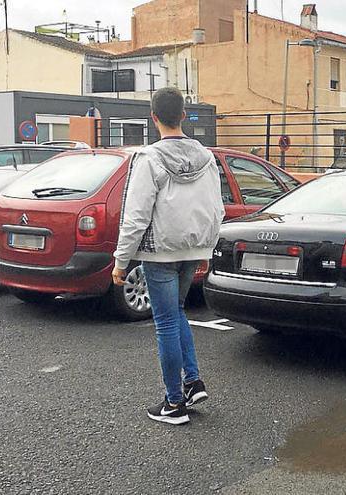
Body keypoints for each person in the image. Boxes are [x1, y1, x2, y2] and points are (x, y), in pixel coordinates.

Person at [112, 87, 225, 425]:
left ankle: (174, 403)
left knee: (165, 323)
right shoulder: (206, 157)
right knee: (176, 313)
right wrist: (205, 248)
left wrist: (121, 261)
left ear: (153, 117)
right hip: (193, 248)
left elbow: (136, 214)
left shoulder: (149, 159)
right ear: (185, 116)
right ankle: (192, 382)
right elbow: (216, 207)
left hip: (160, 252)